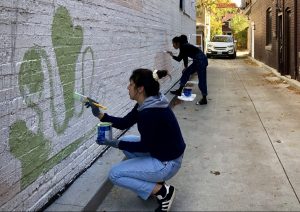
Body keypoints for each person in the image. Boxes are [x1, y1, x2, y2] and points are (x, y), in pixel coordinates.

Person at [85, 68, 186, 212]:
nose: (128, 87)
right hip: (165, 152)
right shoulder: (149, 102)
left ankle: (163, 192)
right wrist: (99, 114)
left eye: (131, 84)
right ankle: (157, 182)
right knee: (127, 141)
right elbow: (124, 123)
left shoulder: (149, 113)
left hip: (167, 162)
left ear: (140, 89)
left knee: (115, 174)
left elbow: (144, 146)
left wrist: (114, 143)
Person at [167, 34, 208, 105]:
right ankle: (179, 91)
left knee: (202, 79)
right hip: (197, 61)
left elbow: (179, 59)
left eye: (173, 44)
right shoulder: (184, 46)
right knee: (186, 72)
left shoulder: (184, 46)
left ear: (178, 43)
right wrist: (186, 67)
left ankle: (204, 99)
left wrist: (172, 55)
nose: (173, 46)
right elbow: (184, 58)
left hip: (201, 61)